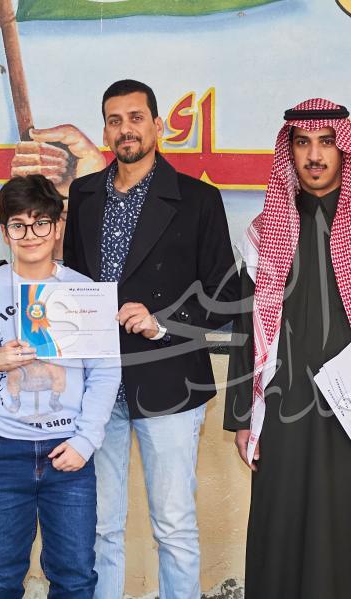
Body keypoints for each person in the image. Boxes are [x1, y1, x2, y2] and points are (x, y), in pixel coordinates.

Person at [224, 99, 351, 598]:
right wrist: (243, 418)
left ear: (344, 149)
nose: (314, 155)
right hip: (285, 411)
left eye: (326, 142)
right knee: (283, 527)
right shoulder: (266, 233)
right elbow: (246, 331)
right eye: (303, 143)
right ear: (289, 151)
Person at [63, 79, 241, 598]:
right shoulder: (84, 195)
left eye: (136, 118)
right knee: (100, 526)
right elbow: (72, 282)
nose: (126, 130)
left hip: (170, 381)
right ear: (105, 131)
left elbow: (226, 295)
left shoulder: (197, 200)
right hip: (97, 386)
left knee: (174, 526)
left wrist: (163, 320)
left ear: (158, 126)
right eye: (115, 120)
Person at [0, 174, 120, 598]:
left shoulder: (83, 291)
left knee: (75, 576)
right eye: (18, 225)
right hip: (1, 451)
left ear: (57, 228)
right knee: (0, 576)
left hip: (68, 450)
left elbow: (106, 371)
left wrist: (85, 441)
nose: (30, 234)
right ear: (4, 233)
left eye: (41, 223)